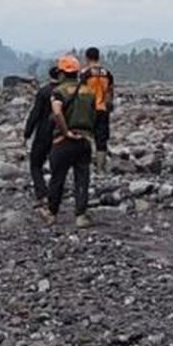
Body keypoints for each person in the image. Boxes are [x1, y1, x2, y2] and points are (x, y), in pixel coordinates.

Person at [46, 55, 103, 227]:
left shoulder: (58, 92)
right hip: (84, 140)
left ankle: (52, 214)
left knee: (57, 179)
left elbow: (57, 112)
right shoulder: (89, 92)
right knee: (82, 179)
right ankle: (80, 215)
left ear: (62, 73)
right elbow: (97, 115)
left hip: (63, 141)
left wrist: (66, 132)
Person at [25, 63, 64, 213]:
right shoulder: (65, 92)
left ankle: (42, 194)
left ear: (50, 76)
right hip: (61, 132)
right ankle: (55, 195)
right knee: (58, 166)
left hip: (43, 133)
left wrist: (27, 132)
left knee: (35, 164)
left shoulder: (43, 92)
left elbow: (35, 113)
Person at [81, 47, 115, 174]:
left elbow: (81, 92)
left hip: (89, 109)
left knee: (86, 137)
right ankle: (100, 169)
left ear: (87, 58)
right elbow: (110, 92)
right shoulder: (107, 73)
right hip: (103, 109)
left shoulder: (86, 74)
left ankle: (85, 166)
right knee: (101, 139)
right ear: (98, 57)